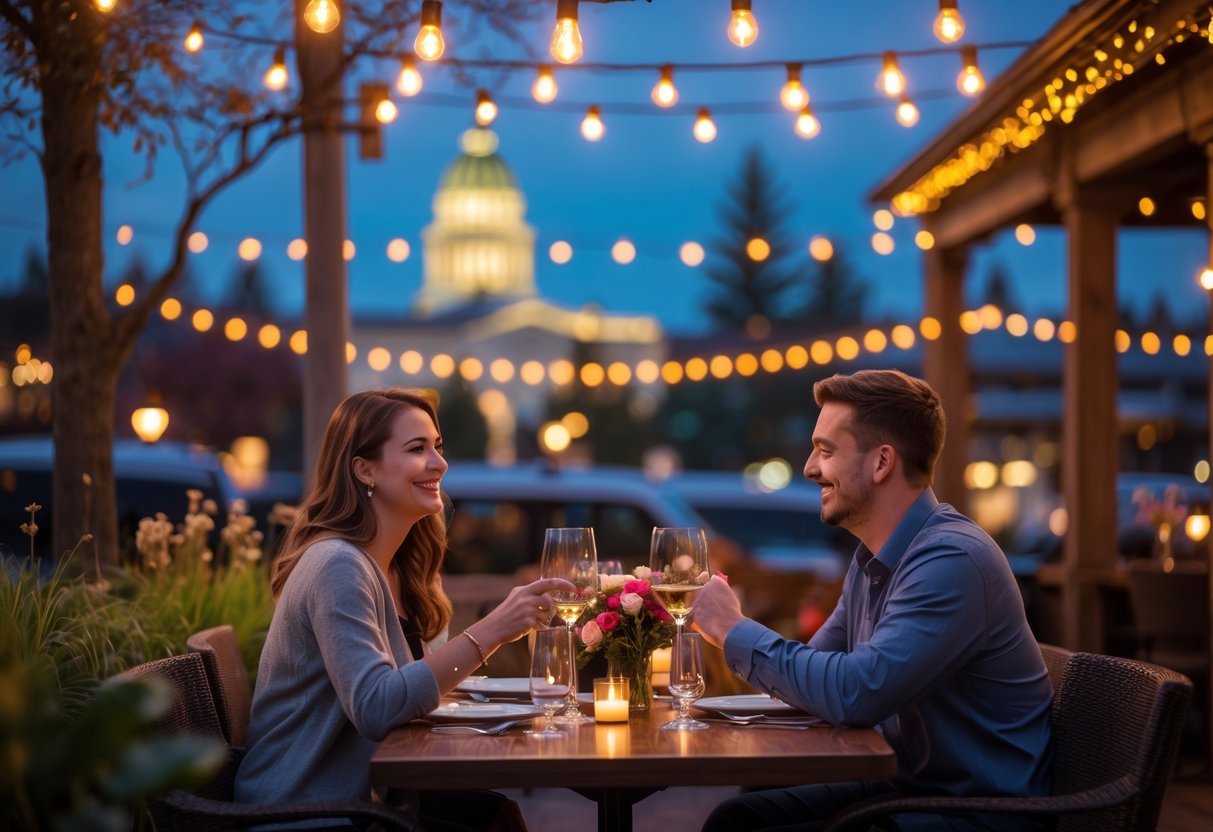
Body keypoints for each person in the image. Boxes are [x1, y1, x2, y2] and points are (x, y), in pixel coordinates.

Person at [694, 370, 1052, 832]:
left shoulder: (952, 561)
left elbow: (853, 693)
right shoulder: (873, 559)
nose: (809, 467)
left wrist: (732, 628)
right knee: (738, 817)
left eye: (826, 450)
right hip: (914, 790)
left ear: (882, 463)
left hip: (980, 813)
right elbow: (819, 673)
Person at [235, 388, 572, 831]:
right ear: (364, 469)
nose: (439, 462)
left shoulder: (395, 565)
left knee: (499, 815)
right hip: (308, 811)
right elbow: (378, 705)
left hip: (372, 799)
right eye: (417, 449)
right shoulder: (337, 564)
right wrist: (492, 631)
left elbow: (410, 690)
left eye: (437, 446)